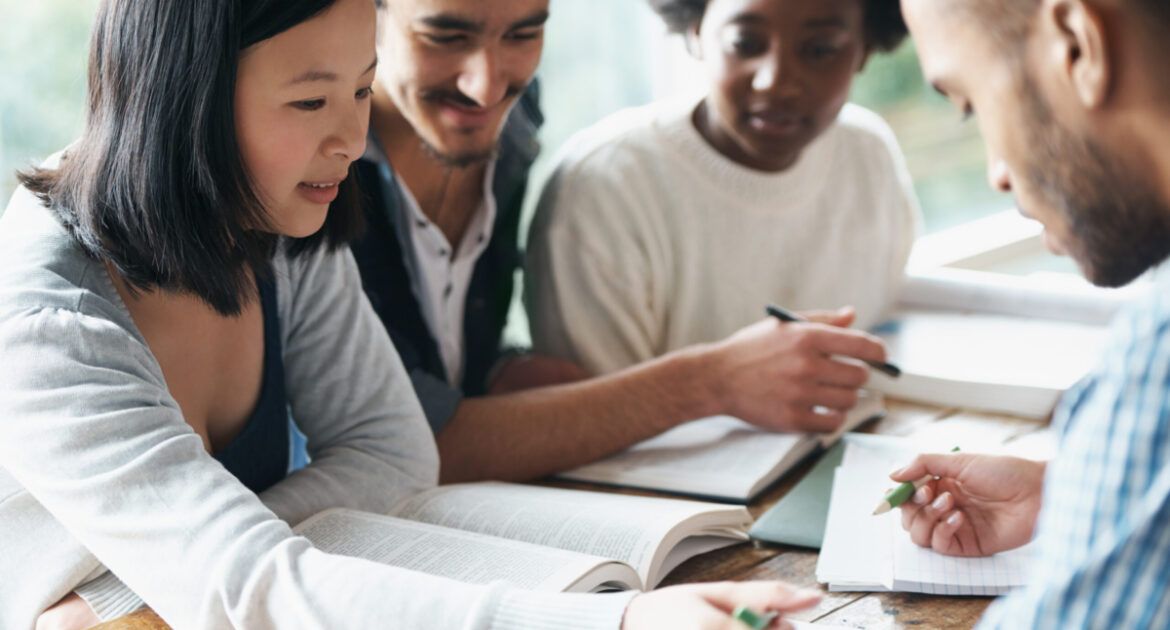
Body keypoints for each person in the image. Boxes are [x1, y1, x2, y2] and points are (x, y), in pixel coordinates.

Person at [0, 0, 819, 628]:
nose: (353, 139)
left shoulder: (274, 214)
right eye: (311, 103)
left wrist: (141, 577)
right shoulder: (50, 320)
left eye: (361, 88)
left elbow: (391, 454)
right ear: (186, 102)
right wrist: (618, 618)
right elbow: (252, 584)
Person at [352, 0, 898, 485]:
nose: (486, 84)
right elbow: (399, 444)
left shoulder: (508, 123)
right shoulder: (319, 177)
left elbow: (435, 343)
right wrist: (714, 379)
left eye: (523, 34)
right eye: (444, 37)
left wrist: (497, 369)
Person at [888, 0, 1170, 626]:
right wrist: (1071, 489)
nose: (995, 174)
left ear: (1077, 46)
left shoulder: (1159, 357)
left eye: (969, 104)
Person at [525, 0, 919, 427]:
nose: (776, 82)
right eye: (745, 43)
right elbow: (591, 425)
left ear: (864, 48)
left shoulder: (868, 154)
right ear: (696, 31)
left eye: (820, 50)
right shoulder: (605, 185)